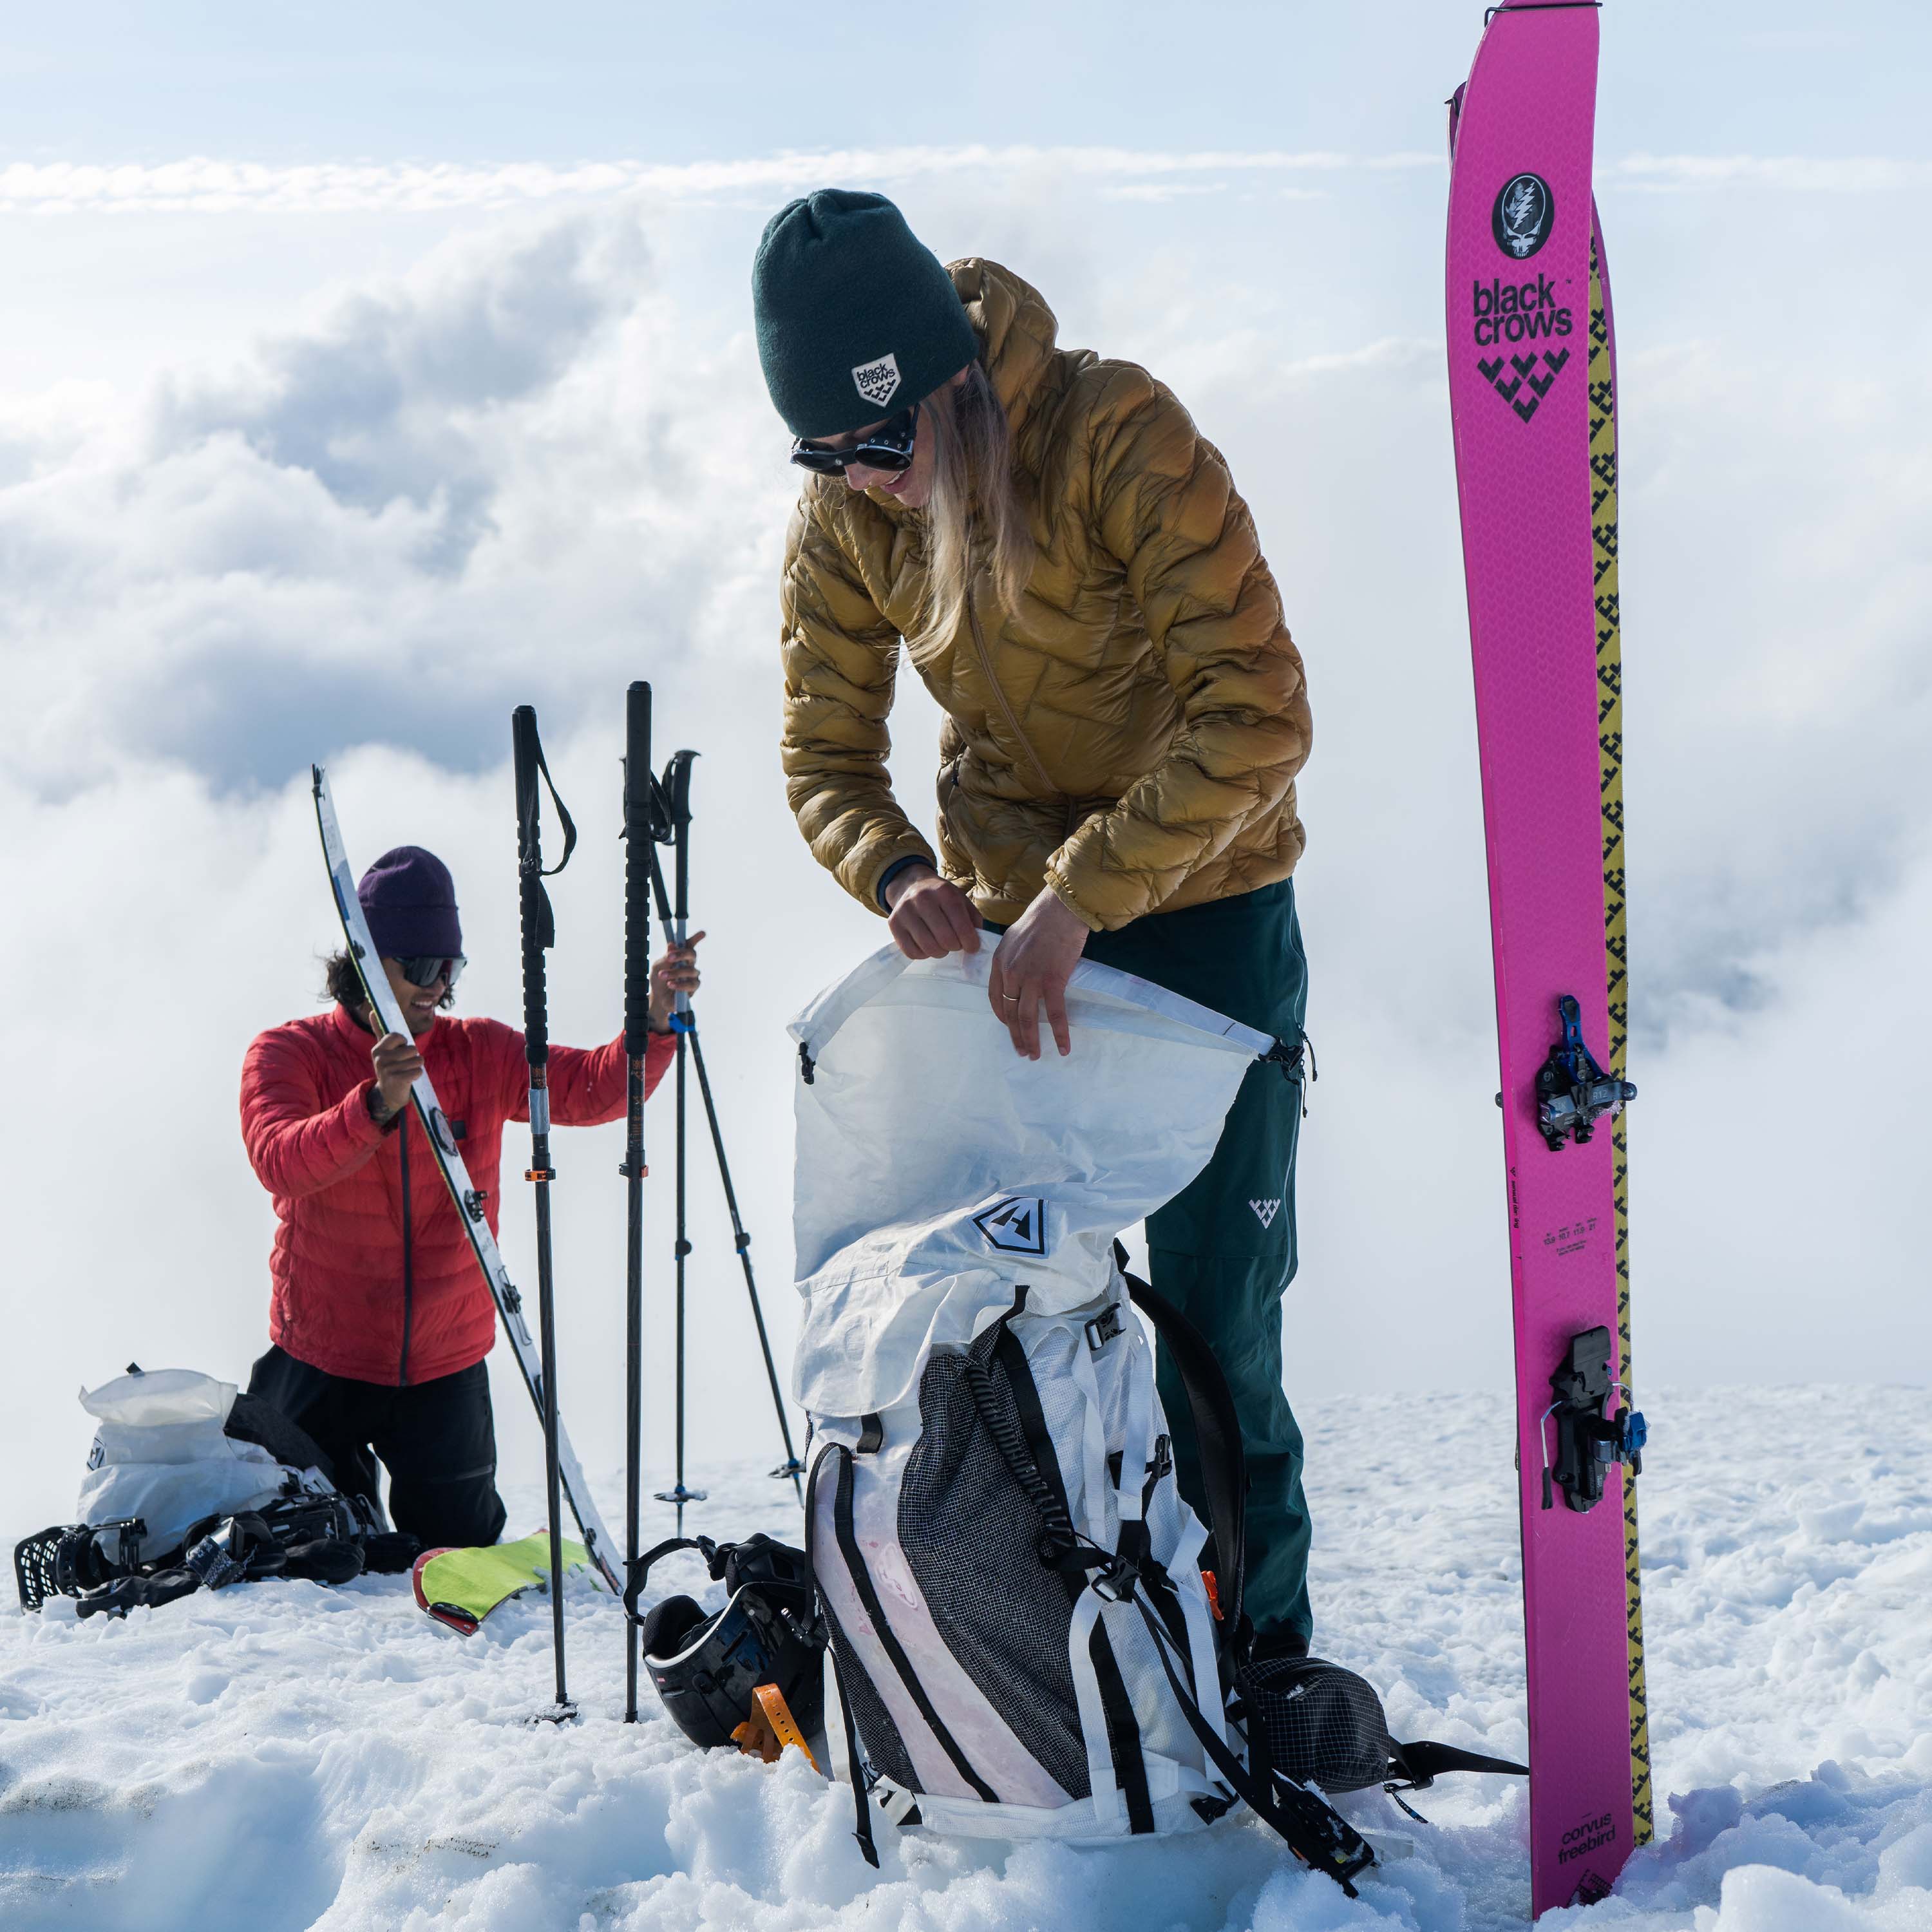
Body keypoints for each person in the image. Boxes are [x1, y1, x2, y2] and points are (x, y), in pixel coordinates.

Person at [755, 190, 1316, 1656]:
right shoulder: (846, 512)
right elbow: (822, 756)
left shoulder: (1114, 433)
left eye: (881, 443)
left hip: (1201, 910)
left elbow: (1256, 715)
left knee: (1213, 1327)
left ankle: (1252, 1655)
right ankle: (1032, 1659)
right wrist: (890, 874)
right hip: (1013, 949)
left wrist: (1084, 893)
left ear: (947, 380)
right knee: (1001, 1307)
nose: (862, 482)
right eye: (823, 454)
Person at [239, 844, 702, 1549]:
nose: (436, 987)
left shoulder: (479, 1052)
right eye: (420, 968)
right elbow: (281, 1160)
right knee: (312, 1552)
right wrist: (374, 1105)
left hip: (442, 1362)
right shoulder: (288, 1053)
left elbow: (595, 1089)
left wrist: (656, 1020)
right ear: (364, 960)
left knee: (461, 1559)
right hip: (320, 1355)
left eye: (448, 968)